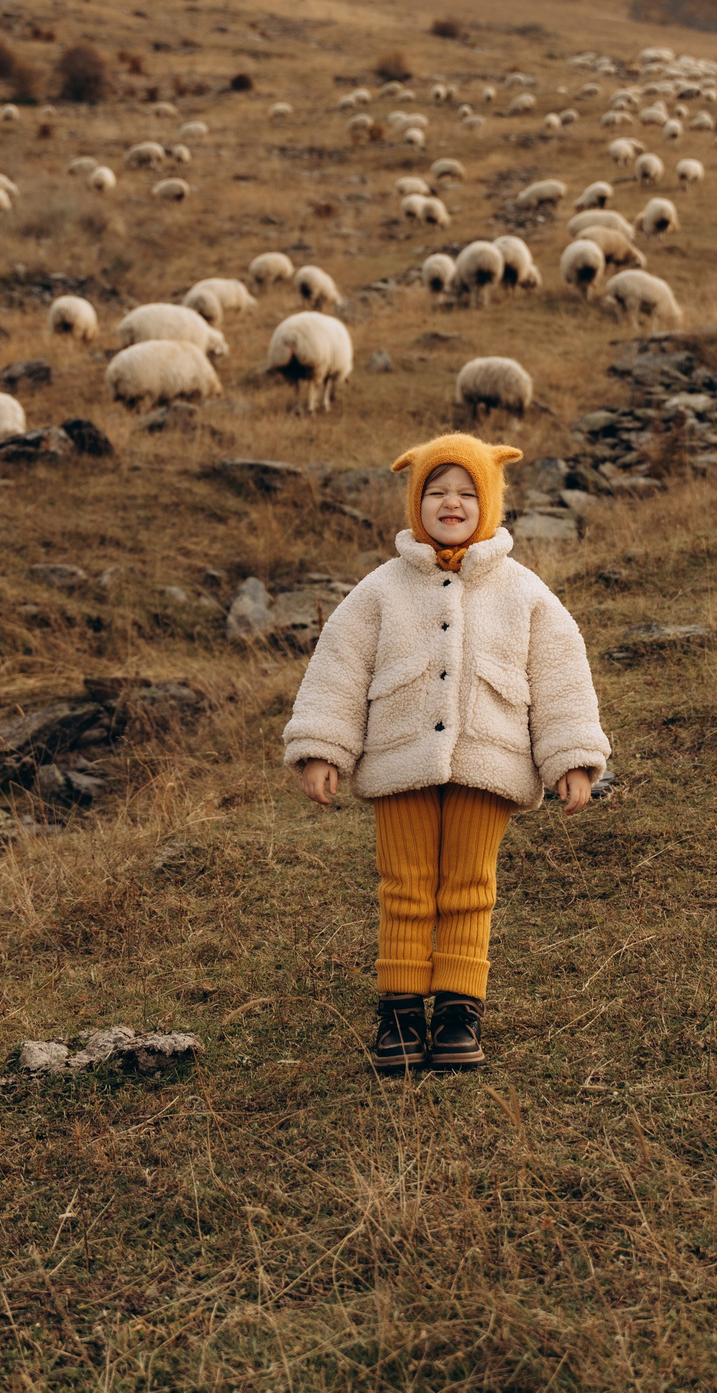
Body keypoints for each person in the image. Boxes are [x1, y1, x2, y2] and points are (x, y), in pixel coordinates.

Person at [283, 433, 609, 1074]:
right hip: (401, 762)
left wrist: (570, 754)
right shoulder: (379, 590)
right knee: (404, 888)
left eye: (466, 492)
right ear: (415, 503)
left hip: (489, 763)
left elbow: (561, 673)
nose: (451, 503)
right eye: (436, 492)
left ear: (489, 504)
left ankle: (460, 1011)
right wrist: (322, 746)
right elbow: (340, 668)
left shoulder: (524, 591)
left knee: (469, 887)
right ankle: (400, 1014)